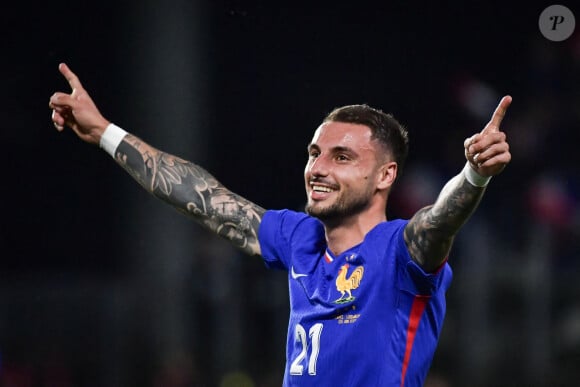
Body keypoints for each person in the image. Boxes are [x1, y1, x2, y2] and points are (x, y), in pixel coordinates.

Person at [49, 62, 512, 386]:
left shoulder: (402, 252)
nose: (318, 168)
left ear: (384, 176)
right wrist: (105, 132)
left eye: (342, 156)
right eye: (314, 154)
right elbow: (201, 197)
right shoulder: (299, 238)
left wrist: (474, 174)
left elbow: (440, 220)